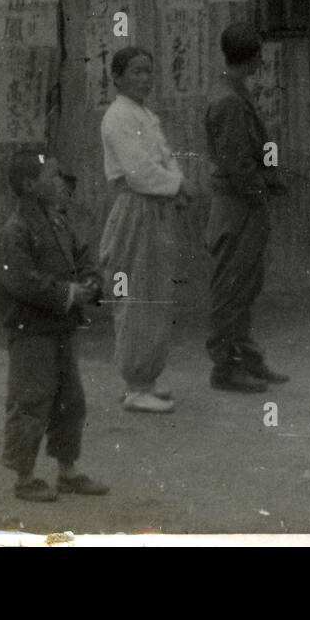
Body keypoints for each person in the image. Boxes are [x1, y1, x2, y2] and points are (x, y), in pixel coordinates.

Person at [0, 149, 108, 503]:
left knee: (70, 401)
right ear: (30, 185)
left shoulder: (58, 222)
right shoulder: (15, 232)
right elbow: (23, 282)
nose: (62, 182)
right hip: (31, 330)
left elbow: (82, 255)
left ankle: (67, 472)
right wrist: (69, 292)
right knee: (30, 401)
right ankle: (24, 477)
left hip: (61, 325)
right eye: (54, 176)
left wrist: (90, 280)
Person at [99, 47, 191, 414]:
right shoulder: (118, 117)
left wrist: (176, 183)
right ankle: (136, 383)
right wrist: (176, 185)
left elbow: (164, 157)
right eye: (135, 72)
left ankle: (145, 378)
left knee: (155, 292)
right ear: (117, 78)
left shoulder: (144, 114)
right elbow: (139, 172)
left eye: (148, 72)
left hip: (155, 208)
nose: (144, 79)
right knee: (138, 292)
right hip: (136, 209)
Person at [204, 22, 288, 392]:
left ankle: (247, 358)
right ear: (253, 57)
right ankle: (225, 366)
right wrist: (261, 190)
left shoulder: (234, 91)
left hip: (245, 203)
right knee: (231, 288)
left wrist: (270, 178)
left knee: (246, 285)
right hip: (237, 206)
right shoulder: (228, 99)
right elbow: (237, 162)